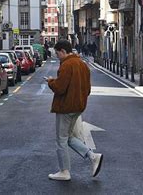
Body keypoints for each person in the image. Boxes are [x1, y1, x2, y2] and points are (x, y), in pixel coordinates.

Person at [45, 39, 103, 181]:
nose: (57, 56)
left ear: (63, 51)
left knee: (61, 140)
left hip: (66, 107)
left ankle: (64, 171)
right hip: (78, 107)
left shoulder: (66, 65)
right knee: (69, 138)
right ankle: (93, 156)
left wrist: (51, 82)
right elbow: (88, 89)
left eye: (58, 53)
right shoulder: (82, 65)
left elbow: (60, 88)